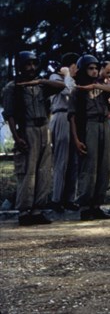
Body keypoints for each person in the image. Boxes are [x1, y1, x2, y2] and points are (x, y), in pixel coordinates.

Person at [2, 51, 65, 226]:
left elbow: (61, 87)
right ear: (20, 67)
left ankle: (38, 209)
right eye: (27, 64)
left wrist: (42, 81)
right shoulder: (12, 87)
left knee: (43, 171)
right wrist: (16, 137)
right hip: (27, 129)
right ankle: (24, 211)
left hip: (44, 128)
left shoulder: (41, 85)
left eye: (33, 64)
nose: (31, 68)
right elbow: (10, 115)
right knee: (27, 172)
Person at [69, 54, 110, 221]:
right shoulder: (77, 90)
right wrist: (76, 139)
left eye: (95, 68)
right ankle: (85, 206)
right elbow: (72, 117)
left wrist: (95, 86)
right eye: (90, 68)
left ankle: (97, 205)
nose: (93, 71)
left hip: (104, 124)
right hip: (88, 126)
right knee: (89, 167)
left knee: (104, 166)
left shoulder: (101, 86)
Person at [49, 52, 80, 213]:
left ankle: (69, 198)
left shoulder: (73, 80)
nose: (77, 70)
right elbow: (68, 92)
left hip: (73, 118)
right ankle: (56, 198)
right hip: (61, 116)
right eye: (75, 66)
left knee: (73, 161)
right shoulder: (55, 78)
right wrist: (67, 74)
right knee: (61, 160)